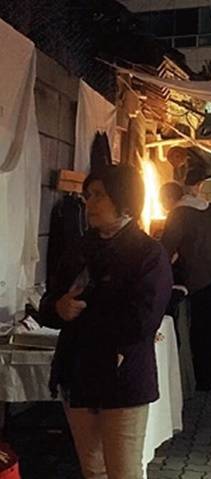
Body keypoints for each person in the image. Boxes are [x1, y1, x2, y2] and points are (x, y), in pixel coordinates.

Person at [39, 165, 172, 479]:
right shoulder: (79, 248)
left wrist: (86, 316)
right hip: (77, 374)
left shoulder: (148, 253)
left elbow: (141, 321)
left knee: (124, 471)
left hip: (122, 378)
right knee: (92, 470)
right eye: (88, 195)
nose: (90, 203)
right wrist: (59, 307)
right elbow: (48, 304)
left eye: (99, 195)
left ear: (124, 198)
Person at [160, 176, 211, 390]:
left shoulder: (178, 213)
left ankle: (204, 378)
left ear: (169, 199)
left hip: (205, 276)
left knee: (203, 327)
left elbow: (165, 249)